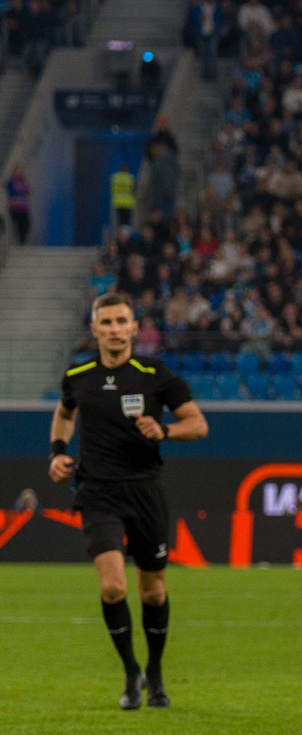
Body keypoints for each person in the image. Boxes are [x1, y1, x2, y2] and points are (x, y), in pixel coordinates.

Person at [50, 293, 208, 708]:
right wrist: (57, 452)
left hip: (145, 492)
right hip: (97, 492)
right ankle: (130, 673)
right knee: (113, 587)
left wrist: (166, 432)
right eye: (107, 322)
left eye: (122, 321)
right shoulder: (78, 374)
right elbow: (65, 413)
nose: (115, 329)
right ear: (95, 328)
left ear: (135, 327)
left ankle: (154, 672)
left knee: (153, 592)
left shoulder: (154, 373)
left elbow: (198, 424)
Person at [6, 163, 27, 244]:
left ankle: (22, 241)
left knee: (25, 224)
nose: (19, 173)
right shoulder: (11, 182)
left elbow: (28, 192)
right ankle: (15, 242)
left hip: (24, 207)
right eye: (18, 171)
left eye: (20, 171)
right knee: (16, 225)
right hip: (15, 207)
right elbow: (10, 192)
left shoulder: (23, 182)